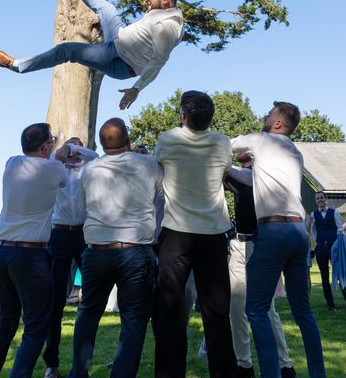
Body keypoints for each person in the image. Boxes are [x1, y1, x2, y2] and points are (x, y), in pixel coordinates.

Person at [0, 0, 184, 110]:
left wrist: (136, 89)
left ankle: (16, 65)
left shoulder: (168, 26)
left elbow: (159, 62)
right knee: (107, 9)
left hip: (121, 63)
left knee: (67, 50)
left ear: (166, 0)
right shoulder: (160, 15)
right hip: (118, 39)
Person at [231, 101, 326, 378]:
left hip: (273, 231)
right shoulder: (294, 152)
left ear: (278, 123)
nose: (265, 115)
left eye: (270, 113)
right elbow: (255, 177)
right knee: (303, 310)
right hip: (299, 233)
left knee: (256, 309)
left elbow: (224, 145)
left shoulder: (262, 141)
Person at [68, 118, 162, 378]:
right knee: (133, 319)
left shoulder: (90, 170)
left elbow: (86, 203)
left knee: (87, 313)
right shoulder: (148, 163)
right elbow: (162, 193)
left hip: (97, 250)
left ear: (101, 143)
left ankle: (79, 372)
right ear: (129, 140)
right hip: (135, 249)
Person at [154, 91, 238, 378]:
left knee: (170, 311)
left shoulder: (167, 140)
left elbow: (160, 166)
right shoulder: (222, 142)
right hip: (213, 232)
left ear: (183, 115)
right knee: (216, 311)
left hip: (176, 233)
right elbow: (225, 173)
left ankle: (168, 373)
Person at [0, 123, 66, 377]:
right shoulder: (54, 168)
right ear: (44, 147)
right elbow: (62, 178)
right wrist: (65, 150)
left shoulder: (11, 163)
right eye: (51, 141)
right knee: (36, 326)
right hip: (31, 255)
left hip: (1, 251)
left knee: (5, 324)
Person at [202, 153, 297, 378]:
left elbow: (231, 173)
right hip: (238, 244)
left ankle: (284, 364)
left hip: (259, 246)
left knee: (266, 309)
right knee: (236, 307)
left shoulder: (259, 176)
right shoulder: (241, 174)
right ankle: (243, 364)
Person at [44, 137, 99, 378]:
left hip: (83, 235)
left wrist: (75, 149)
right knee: (54, 303)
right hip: (58, 235)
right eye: (71, 147)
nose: (76, 152)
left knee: (89, 302)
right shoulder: (55, 171)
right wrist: (62, 154)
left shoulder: (90, 169)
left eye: (80, 148)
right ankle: (51, 364)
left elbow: (96, 157)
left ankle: (81, 365)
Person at [306, 191, 346, 312]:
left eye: (322, 198)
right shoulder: (313, 214)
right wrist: (319, 240)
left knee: (340, 274)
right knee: (324, 276)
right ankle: (330, 303)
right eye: (317, 199)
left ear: (326, 199)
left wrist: (338, 244)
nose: (320, 200)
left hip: (334, 247)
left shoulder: (334, 212)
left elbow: (339, 229)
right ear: (316, 201)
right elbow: (313, 230)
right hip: (321, 248)